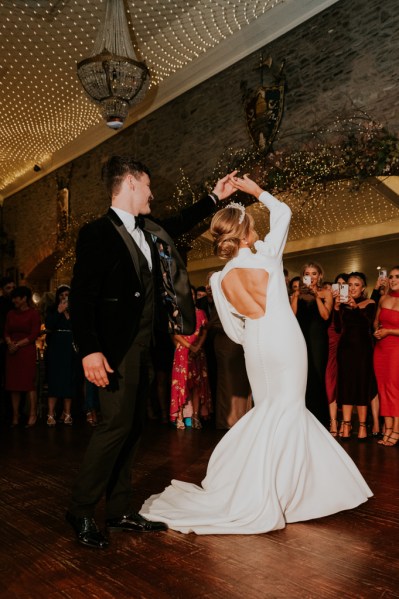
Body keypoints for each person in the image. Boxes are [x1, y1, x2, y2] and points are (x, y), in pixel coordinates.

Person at [140, 175, 372, 534]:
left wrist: (254, 336)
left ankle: (266, 487)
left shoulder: (219, 280)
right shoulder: (266, 256)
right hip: (285, 341)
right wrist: (255, 191)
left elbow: (235, 332)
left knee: (269, 411)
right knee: (290, 410)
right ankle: (282, 493)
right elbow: (284, 211)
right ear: (246, 233)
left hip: (257, 347)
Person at [67, 156, 237, 548]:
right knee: (113, 428)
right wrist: (90, 351)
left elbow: (180, 222)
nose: (152, 193)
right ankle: (80, 509)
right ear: (129, 183)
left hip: (146, 348)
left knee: (133, 427)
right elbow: (82, 297)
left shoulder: (151, 230)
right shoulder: (97, 233)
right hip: (113, 350)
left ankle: (120, 510)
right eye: (147, 186)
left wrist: (215, 197)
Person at [334, 272, 377, 440]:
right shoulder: (343, 305)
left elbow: (368, 323)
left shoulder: (370, 303)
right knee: (345, 385)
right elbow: (338, 328)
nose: (352, 288)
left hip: (363, 350)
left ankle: (362, 426)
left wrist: (356, 307)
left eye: (356, 285)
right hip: (345, 349)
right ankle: (345, 424)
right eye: (349, 285)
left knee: (361, 386)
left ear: (363, 288)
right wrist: (337, 308)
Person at [290, 262, 332, 427]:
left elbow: (325, 316)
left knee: (317, 375)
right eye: (307, 273)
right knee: (301, 377)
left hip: (318, 340)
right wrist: (295, 296)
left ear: (320, 276)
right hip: (299, 338)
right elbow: (291, 316)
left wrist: (316, 296)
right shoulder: (297, 294)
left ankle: (320, 420)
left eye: (314, 273)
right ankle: (302, 418)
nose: (311, 277)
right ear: (303, 276)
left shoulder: (326, 293)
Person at [170, 286, 212, 430]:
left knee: (197, 385)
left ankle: (195, 416)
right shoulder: (176, 313)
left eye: (193, 294)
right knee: (182, 383)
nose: (191, 296)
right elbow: (175, 334)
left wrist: (198, 346)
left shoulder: (201, 313)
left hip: (198, 352)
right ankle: (180, 415)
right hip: (183, 352)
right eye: (188, 294)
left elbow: (205, 331)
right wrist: (190, 346)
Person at [4, 286, 41, 428]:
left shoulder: (33, 314)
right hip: (12, 351)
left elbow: (34, 335)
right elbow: (6, 331)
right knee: (13, 385)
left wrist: (17, 345)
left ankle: (32, 414)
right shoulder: (10, 314)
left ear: (24, 298)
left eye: (16, 298)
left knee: (28, 384)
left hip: (26, 351)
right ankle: (15, 416)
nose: (14, 301)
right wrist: (9, 343)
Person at [45, 285, 81, 426]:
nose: (64, 297)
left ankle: (67, 414)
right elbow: (49, 325)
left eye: (67, 294)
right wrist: (59, 311)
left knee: (69, 380)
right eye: (61, 295)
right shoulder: (53, 310)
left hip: (70, 349)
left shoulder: (75, 311)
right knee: (54, 379)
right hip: (56, 349)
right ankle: (50, 414)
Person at [373, 266, 399, 446]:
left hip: (396, 348)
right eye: (391, 276)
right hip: (380, 349)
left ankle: (396, 430)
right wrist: (377, 330)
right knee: (383, 389)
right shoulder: (383, 298)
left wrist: (389, 330)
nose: (393, 279)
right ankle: (387, 429)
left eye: (397, 276)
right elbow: (376, 322)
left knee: (394, 389)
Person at [325, 273, 348, 437]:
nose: (340, 288)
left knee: (344, 383)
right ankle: (333, 421)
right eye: (337, 285)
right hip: (329, 343)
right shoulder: (329, 301)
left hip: (346, 346)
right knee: (329, 381)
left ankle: (345, 422)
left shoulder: (352, 303)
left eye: (343, 285)